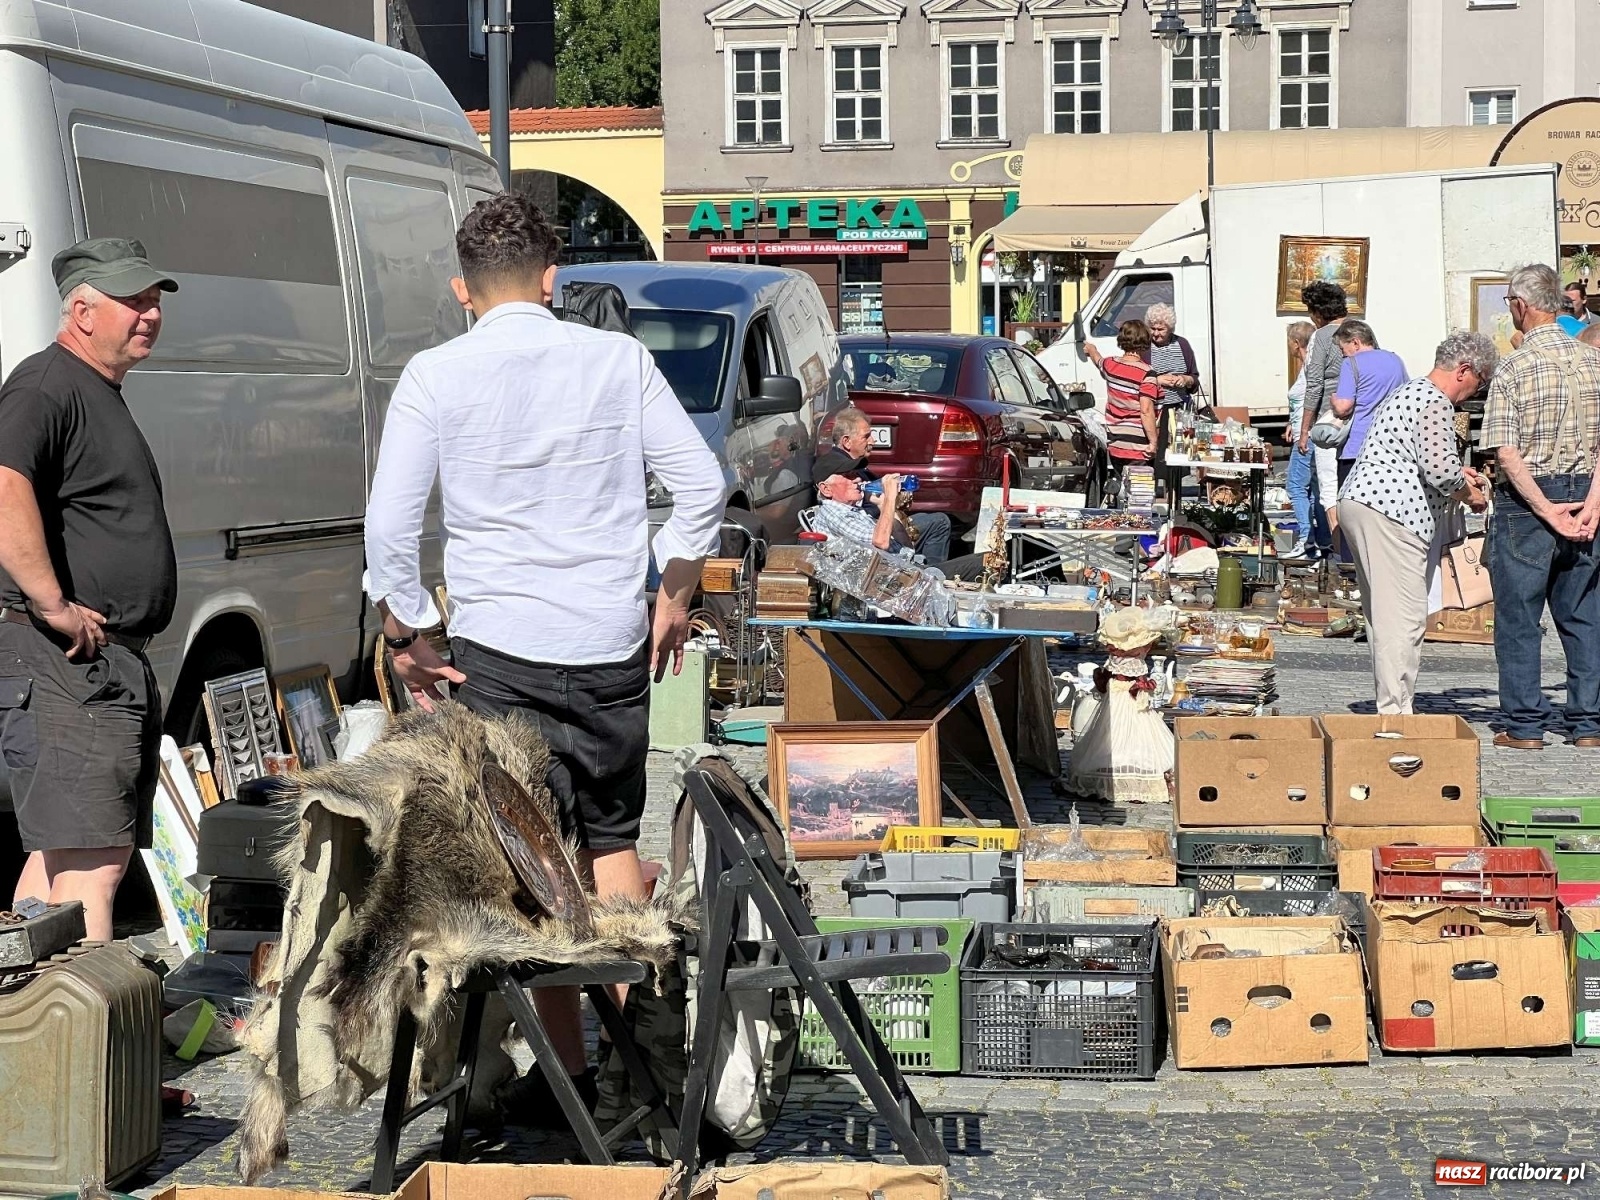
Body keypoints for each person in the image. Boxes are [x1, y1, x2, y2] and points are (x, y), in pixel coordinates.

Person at [363, 194, 724, 1113]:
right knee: (610, 852)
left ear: (463, 290)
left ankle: (565, 1087)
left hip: (500, 651)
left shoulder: (436, 375)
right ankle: (638, 1080)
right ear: (553, 278)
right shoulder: (618, 359)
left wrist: (411, 635)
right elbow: (701, 484)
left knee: (528, 873)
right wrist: (671, 592)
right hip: (606, 642)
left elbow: (390, 530)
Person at [0, 238, 179, 943]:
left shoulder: (91, 390)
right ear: (81, 309)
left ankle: (26, 1031)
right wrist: (52, 604)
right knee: (94, 867)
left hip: (97, 664)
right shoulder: (45, 385)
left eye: (154, 301)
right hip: (65, 663)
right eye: (133, 302)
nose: (150, 314)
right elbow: (5, 485)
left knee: (59, 862)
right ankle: (85, 1045)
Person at [1337, 333, 1494, 714]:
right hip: (1394, 512)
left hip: (1364, 501)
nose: (1476, 392)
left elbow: (1421, 457)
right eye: (1479, 382)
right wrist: (1470, 494)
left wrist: (1459, 473)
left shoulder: (1410, 392)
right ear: (1464, 370)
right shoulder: (1435, 402)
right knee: (1404, 617)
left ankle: (1392, 701)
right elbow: (1440, 472)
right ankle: (1395, 710)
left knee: (1384, 614)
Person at [1481, 263, 1600, 750]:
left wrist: (1547, 509)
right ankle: (1588, 723)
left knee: (1518, 617)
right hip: (1586, 494)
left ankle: (1526, 725)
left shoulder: (1513, 366)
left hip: (1530, 500)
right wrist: (1593, 500)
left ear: (1521, 306)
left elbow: (1505, 452)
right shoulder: (1594, 361)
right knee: (1583, 615)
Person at [812, 406, 952, 563]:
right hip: (879, 535)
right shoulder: (839, 471)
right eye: (866, 436)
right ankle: (935, 573)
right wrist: (889, 501)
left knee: (935, 522)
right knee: (939, 522)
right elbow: (878, 539)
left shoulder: (852, 467)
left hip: (884, 536)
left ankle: (932, 572)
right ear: (847, 442)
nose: (873, 441)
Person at [814, 473, 989, 580]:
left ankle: (937, 578)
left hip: (909, 570)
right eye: (847, 478)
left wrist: (883, 506)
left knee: (987, 559)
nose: (857, 480)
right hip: (895, 580)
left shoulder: (853, 511)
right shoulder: (834, 513)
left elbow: (907, 548)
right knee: (989, 561)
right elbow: (881, 542)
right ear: (826, 489)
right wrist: (890, 497)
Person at [1295, 282, 1350, 535]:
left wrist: (1304, 429)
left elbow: (1314, 384)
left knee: (1329, 486)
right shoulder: (1362, 330)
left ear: (1317, 312)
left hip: (1329, 419)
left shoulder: (1322, 335)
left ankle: (1339, 551)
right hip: (1359, 418)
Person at [1329, 318, 1408, 486]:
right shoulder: (1395, 359)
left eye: (1343, 348)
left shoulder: (1351, 363)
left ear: (1355, 342)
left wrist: (1334, 400)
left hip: (1358, 447)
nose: (1342, 354)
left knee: (1351, 506)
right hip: (1392, 446)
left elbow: (1343, 407)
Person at [1085, 320, 1159, 479]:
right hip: (1138, 446)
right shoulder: (1147, 373)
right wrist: (1153, 442)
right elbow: (1146, 411)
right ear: (1145, 343)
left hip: (1116, 443)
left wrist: (1091, 349)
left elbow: (1098, 360)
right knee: (1139, 494)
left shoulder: (1110, 365)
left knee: (1123, 492)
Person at [1282, 321, 1331, 560]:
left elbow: (1313, 397)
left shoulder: (1311, 366)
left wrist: (1303, 430)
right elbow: (1302, 402)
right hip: (1305, 429)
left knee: (1294, 485)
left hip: (1308, 434)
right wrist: (1292, 423)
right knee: (1314, 488)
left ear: (1296, 343)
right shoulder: (1307, 366)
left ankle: (1306, 539)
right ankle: (1324, 541)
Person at [1141, 303, 1201, 470]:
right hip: (1155, 408)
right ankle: (1159, 489)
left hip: (1179, 408)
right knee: (1158, 454)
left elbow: (1194, 377)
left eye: (1161, 329)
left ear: (1170, 328)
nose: (1155, 333)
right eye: (1152, 328)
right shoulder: (1145, 347)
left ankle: (1174, 491)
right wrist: (1158, 380)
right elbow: (1138, 376)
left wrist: (1184, 379)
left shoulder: (1182, 344)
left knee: (1178, 453)